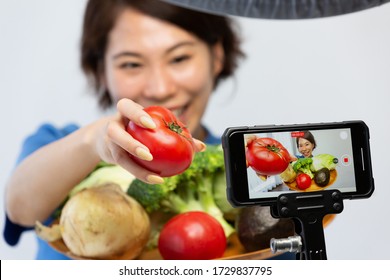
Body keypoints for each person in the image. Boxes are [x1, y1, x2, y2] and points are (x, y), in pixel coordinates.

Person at [3, 0, 245, 259]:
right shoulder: (57, 142)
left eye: (179, 58)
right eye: (131, 64)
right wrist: (91, 142)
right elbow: (19, 210)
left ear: (217, 56)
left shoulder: (240, 163)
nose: (160, 89)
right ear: (101, 70)